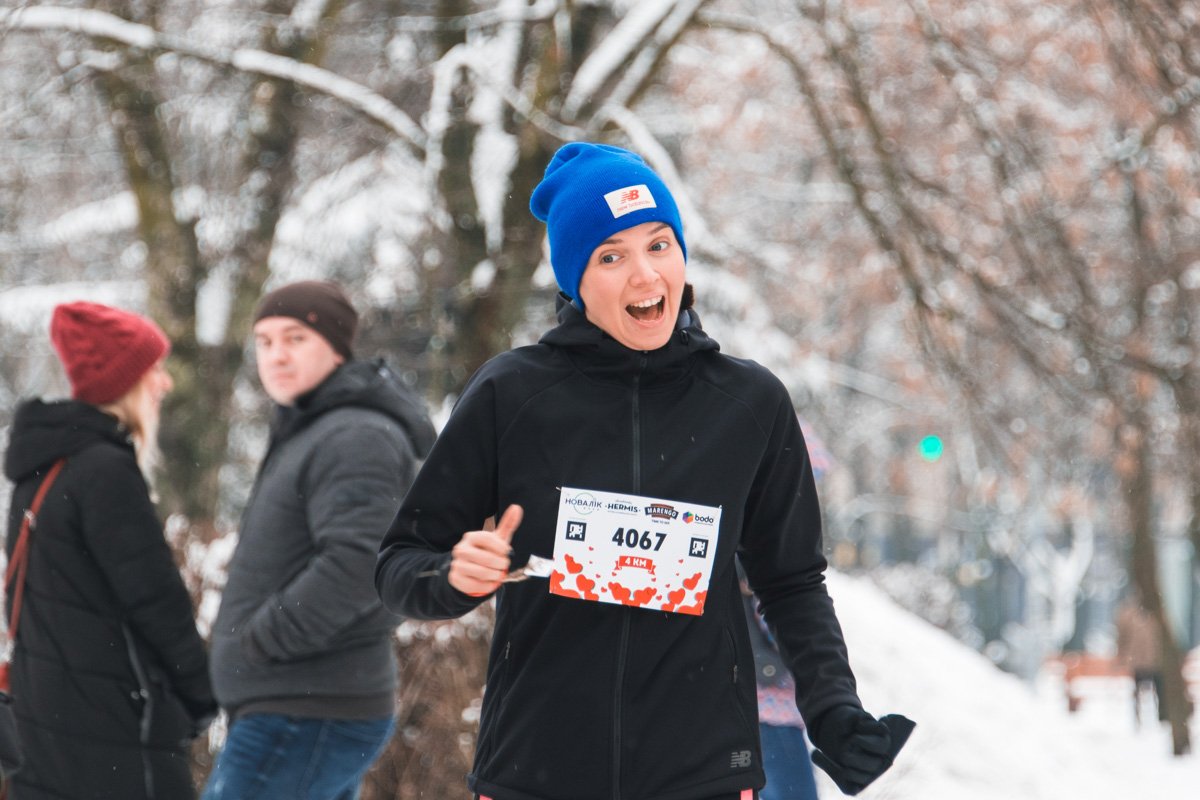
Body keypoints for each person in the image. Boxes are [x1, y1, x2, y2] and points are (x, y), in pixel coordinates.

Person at [376, 142, 912, 800]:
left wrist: (833, 710)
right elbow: (400, 561)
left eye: (659, 245)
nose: (644, 275)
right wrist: (451, 577)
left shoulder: (748, 404)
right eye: (611, 257)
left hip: (704, 773)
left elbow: (791, 580)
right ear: (575, 279)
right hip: (536, 772)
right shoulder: (512, 396)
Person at [204, 280, 435, 800]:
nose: (276, 355)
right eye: (264, 342)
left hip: (305, 708)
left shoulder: (354, 435)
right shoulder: (313, 428)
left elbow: (360, 561)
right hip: (296, 707)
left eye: (294, 338)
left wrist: (264, 640)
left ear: (334, 346)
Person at [3, 301, 217, 799]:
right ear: (125, 382)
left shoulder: (40, 470)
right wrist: (200, 696)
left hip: (42, 722)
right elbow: (154, 599)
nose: (163, 384)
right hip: (114, 732)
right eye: (153, 370)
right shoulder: (105, 470)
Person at [1115, 591, 1164, 726]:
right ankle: (1139, 718)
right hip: (1141, 661)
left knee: (1158, 691)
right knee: (1140, 691)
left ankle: (1161, 718)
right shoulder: (1130, 614)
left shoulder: (1155, 613)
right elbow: (1122, 637)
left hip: (1152, 661)